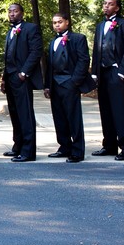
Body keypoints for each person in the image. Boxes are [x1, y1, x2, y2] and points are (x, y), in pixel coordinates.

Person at [90, 0, 124, 160]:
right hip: (102, 73)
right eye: (104, 3)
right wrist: (94, 73)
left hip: (117, 73)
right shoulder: (100, 26)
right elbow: (96, 51)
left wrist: (122, 72)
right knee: (106, 110)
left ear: (117, 8)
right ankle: (109, 146)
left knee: (120, 111)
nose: (106, 6)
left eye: (110, 4)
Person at [43, 13, 94, 163]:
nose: (57, 25)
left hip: (70, 83)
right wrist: (47, 85)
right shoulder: (53, 42)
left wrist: (74, 82)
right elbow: (50, 66)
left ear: (67, 22)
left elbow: (84, 60)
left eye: (60, 22)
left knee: (73, 118)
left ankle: (77, 151)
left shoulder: (78, 38)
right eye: (54, 23)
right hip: (55, 84)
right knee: (59, 118)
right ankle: (64, 147)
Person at [0, 3, 43, 162]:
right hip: (10, 77)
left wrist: (24, 73)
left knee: (25, 114)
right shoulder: (9, 31)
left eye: (15, 11)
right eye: (9, 11)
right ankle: (17, 146)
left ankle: (28, 152)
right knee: (14, 113)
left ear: (22, 13)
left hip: (21, 78)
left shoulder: (31, 28)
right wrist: (4, 78)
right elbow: (8, 57)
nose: (12, 14)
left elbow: (35, 51)